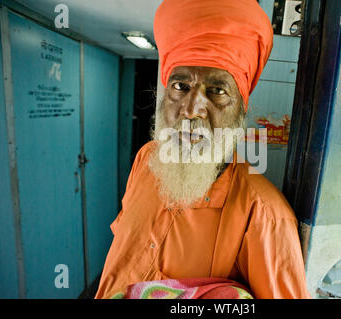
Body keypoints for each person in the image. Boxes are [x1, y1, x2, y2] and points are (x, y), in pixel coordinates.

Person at [95, 0, 310, 299]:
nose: (191, 109)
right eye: (181, 86)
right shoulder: (146, 159)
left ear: (239, 110)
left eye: (217, 90)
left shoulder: (264, 216)